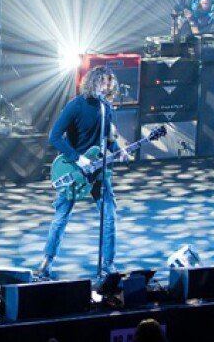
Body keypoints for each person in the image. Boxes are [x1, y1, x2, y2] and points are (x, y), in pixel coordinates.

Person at [36, 66, 128, 280]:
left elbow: (108, 140)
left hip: (98, 171)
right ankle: (46, 262)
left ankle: (108, 264)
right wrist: (78, 158)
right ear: (92, 82)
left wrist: (119, 151)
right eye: (101, 82)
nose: (105, 87)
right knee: (61, 217)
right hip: (75, 169)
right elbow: (55, 136)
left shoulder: (106, 108)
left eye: (108, 83)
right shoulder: (75, 106)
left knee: (109, 216)